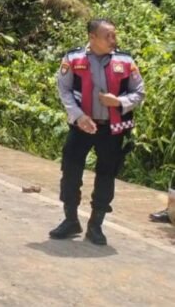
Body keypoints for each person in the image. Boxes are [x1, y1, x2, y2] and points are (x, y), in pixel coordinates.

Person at [49, 18, 145, 245]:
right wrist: (79, 116)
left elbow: (139, 92)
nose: (113, 40)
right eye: (107, 36)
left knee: (106, 175)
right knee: (71, 171)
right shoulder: (73, 59)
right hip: (80, 126)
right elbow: (64, 90)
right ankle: (71, 220)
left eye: (114, 35)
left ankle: (96, 225)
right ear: (92, 37)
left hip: (112, 129)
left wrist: (119, 102)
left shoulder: (125, 60)